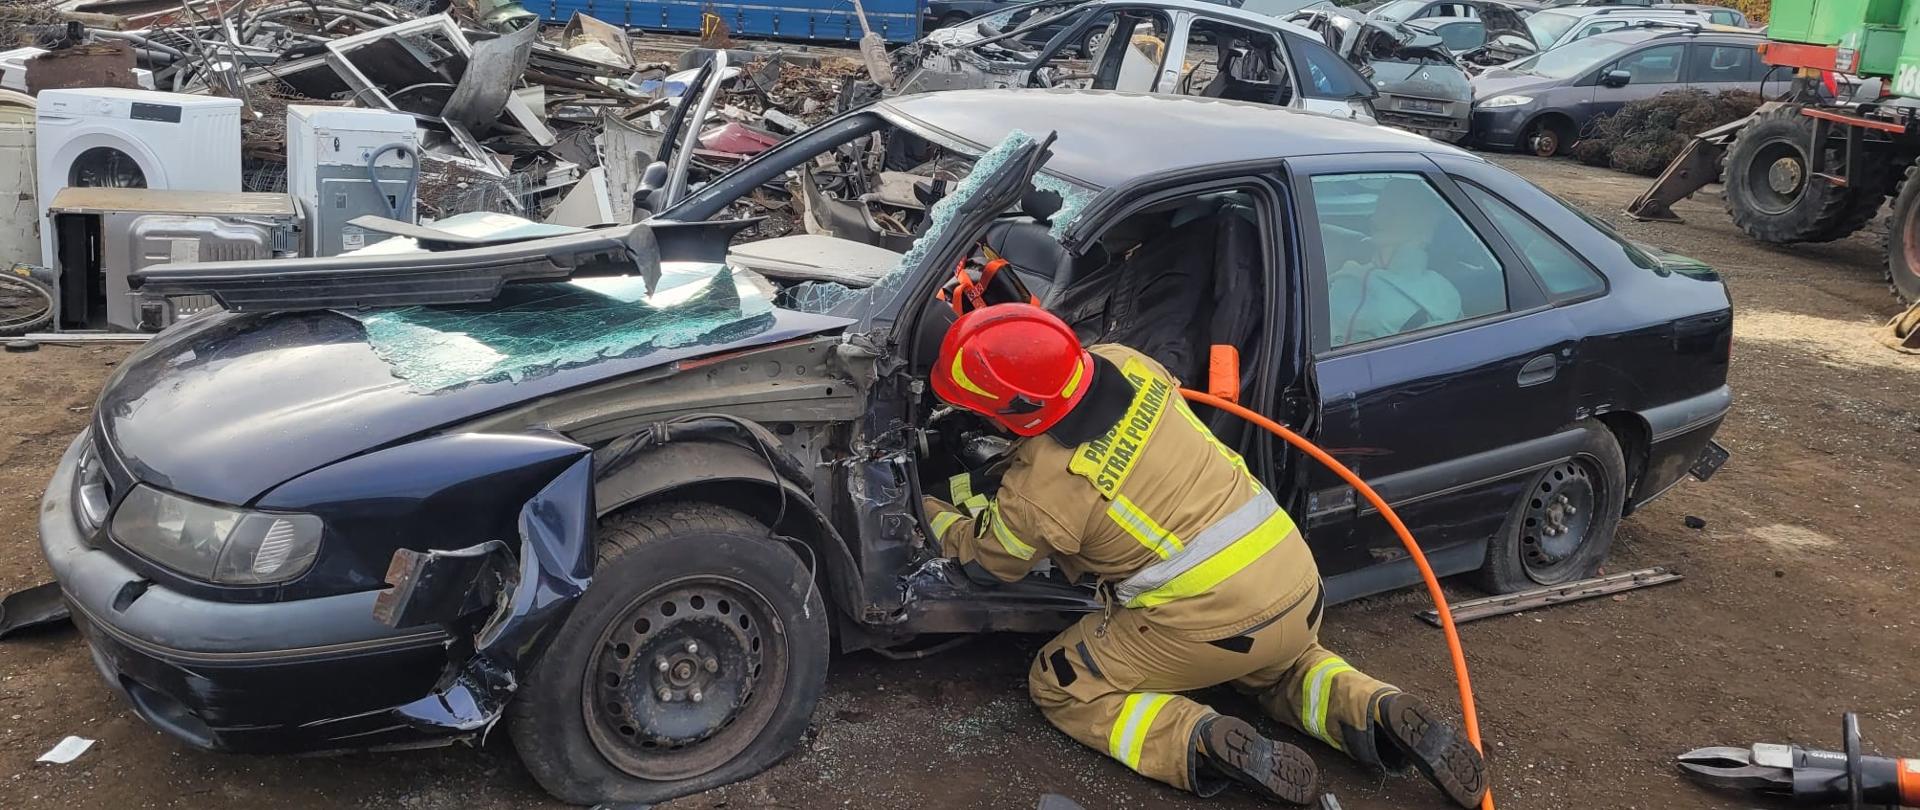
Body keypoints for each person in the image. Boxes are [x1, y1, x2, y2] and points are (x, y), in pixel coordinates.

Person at [921, 302, 1487, 807]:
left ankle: (1195, 740)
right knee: (1283, 668)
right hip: (1294, 579)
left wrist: (928, 510)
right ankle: (1375, 711)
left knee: (1062, 681)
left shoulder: (1038, 494)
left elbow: (985, 563)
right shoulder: (1129, 363)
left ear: (1017, 411)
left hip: (1212, 620)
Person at [1325, 178, 1464, 347]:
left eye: (1393, 211)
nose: (1377, 217)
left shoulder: (1441, 294)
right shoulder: (1349, 272)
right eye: (1380, 207)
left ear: (1426, 225)